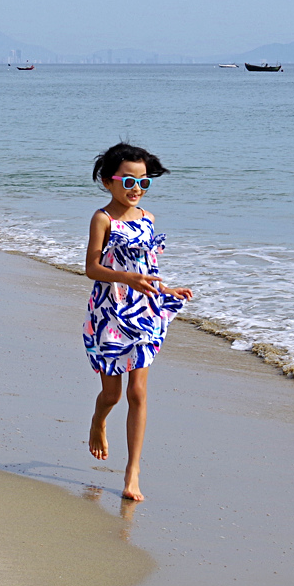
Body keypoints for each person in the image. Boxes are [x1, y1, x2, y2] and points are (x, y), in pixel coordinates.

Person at [83, 142, 193, 501]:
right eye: (127, 181)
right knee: (112, 394)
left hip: (144, 309)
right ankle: (99, 420)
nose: (135, 189)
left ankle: (133, 472)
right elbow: (92, 269)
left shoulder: (148, 219)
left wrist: (167, 289)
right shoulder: (103, 218)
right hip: (111, 311)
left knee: (139, 392)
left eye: (143, 183)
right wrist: (127, 279)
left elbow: (149, 268)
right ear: (107, 181)